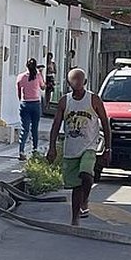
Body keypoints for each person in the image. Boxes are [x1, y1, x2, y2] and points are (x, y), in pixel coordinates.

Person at [47, 68, 111, 226]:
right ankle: (75, 218)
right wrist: (52, 147)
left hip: (89, 146)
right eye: (73, 80)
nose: (77, 83)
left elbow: (105, 122)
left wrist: (108, 148)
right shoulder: (64, 101)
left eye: (79, 80)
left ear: (85, 82)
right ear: (69, 82)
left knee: (86, 174)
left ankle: (85, 200)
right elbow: (56, 125)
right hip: (71, 148)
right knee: (76, 186)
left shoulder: (93, 100)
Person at [17, 57, 46, 160]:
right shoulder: (37, 76)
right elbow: (43, 87)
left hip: (25, 104)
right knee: (34, 128)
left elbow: (19, 93)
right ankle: (34, 150)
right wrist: (41, 73)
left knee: (24, 129)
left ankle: (21, 151)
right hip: (35, 104)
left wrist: (22, 99)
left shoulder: (21, 77)